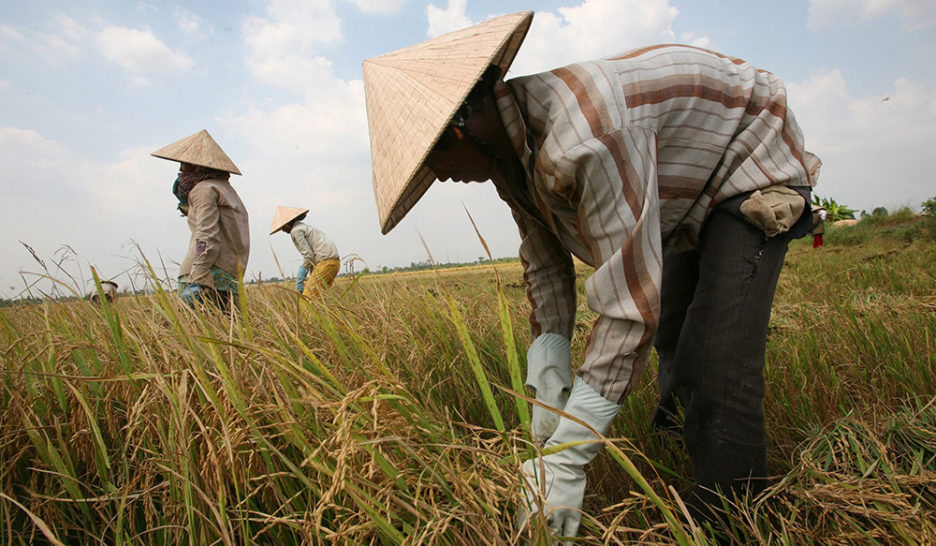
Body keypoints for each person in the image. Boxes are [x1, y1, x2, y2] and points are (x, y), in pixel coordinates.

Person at [362, 11, 821, 540]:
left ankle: (729, 514)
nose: (439, 173)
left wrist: (566, 457)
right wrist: (549, 363)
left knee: (717, 353)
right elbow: (545, 260)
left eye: (436, 153)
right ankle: (672, 452)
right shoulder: (512, 157)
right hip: (681, 191)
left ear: (470, 116)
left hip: (749, 152)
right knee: (674, 332)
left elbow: (630, 309)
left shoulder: (585, 135)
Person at [151, 130, 250, 311]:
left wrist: (198, 273)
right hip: (229, 275)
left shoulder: (203, 190)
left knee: (196, 334)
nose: (181, 171)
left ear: (198, 167)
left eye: (184, 165)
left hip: (207, 272)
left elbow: (206, 236)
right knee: (229, 333)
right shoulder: (226, 190)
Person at [269, 206, 341, 297]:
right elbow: (313, 256)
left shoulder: (296, 231)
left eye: (283, 228)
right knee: (320, 297)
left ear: (287, 224)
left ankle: (305, 312)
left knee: (307, 297)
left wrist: (300, 277)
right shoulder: (305, 227)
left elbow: (309, 256)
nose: (283, 230)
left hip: (325, 263)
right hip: (334, 263)